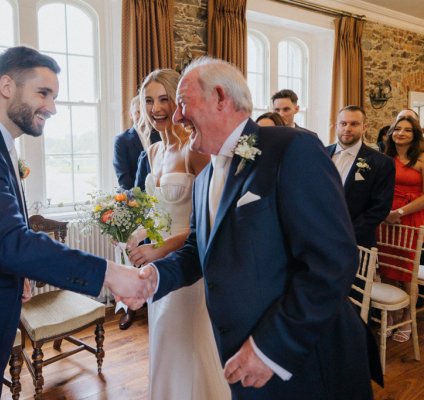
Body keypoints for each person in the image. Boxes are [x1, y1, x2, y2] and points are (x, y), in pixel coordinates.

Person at [126, 57, 382, 399]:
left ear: (220, 97)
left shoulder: (291, 150)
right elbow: (199, 252)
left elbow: (331, 263)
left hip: (302, 361)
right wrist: (153, 279)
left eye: (183, 103)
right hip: (238, 357)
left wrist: (269, 349)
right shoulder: (202, 181)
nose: (176, 116)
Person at [0, 46, 153, 399]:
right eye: (43, 93)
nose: (52, 107)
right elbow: (10, 242)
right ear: (7, 86)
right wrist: (109, 272)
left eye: (54, 96)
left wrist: (17, 273)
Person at [125, 69, 229, 399]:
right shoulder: (154, 153)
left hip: (187, 270)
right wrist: (139, 233)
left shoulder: (195, 152)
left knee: (188, 345)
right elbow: (160, 211)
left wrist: (160, 250)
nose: (156, 108)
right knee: (163, 340)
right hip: (158, 268)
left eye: (164, 99)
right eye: (149, 100)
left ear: (179, 102)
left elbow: (208, 224)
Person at [113, 95, 161, 330]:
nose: (143, 114)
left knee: (157, 256)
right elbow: (124, 177)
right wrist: (136, 206)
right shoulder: (123, 140)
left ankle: (155, 299)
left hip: (161, 206)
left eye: (146, 109)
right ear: (131, 114)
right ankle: (132, 309)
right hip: (133, 207)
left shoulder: (161, 136)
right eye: (137, 111)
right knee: (134, 259)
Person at [380, 115, 424, 343]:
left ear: (415, 135)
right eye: (398, 129)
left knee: (407, 271)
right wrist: (385, 213)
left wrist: (400, 213)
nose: (401, 133)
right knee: (388, 267)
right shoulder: (386, 158)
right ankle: (392, 316)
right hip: (385, 218)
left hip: (409, 217)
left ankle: (408, 319)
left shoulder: (421, 160)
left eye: (407, 130)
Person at [326, 105, 394, 248]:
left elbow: (380, 207)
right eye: (343, 123)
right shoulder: (321, 154)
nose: (347, 128)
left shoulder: (381, 163)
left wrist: (346, 233)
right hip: (318, 236)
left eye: (354, 124)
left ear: (364, 127)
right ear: (335, 126)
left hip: (356, 241)